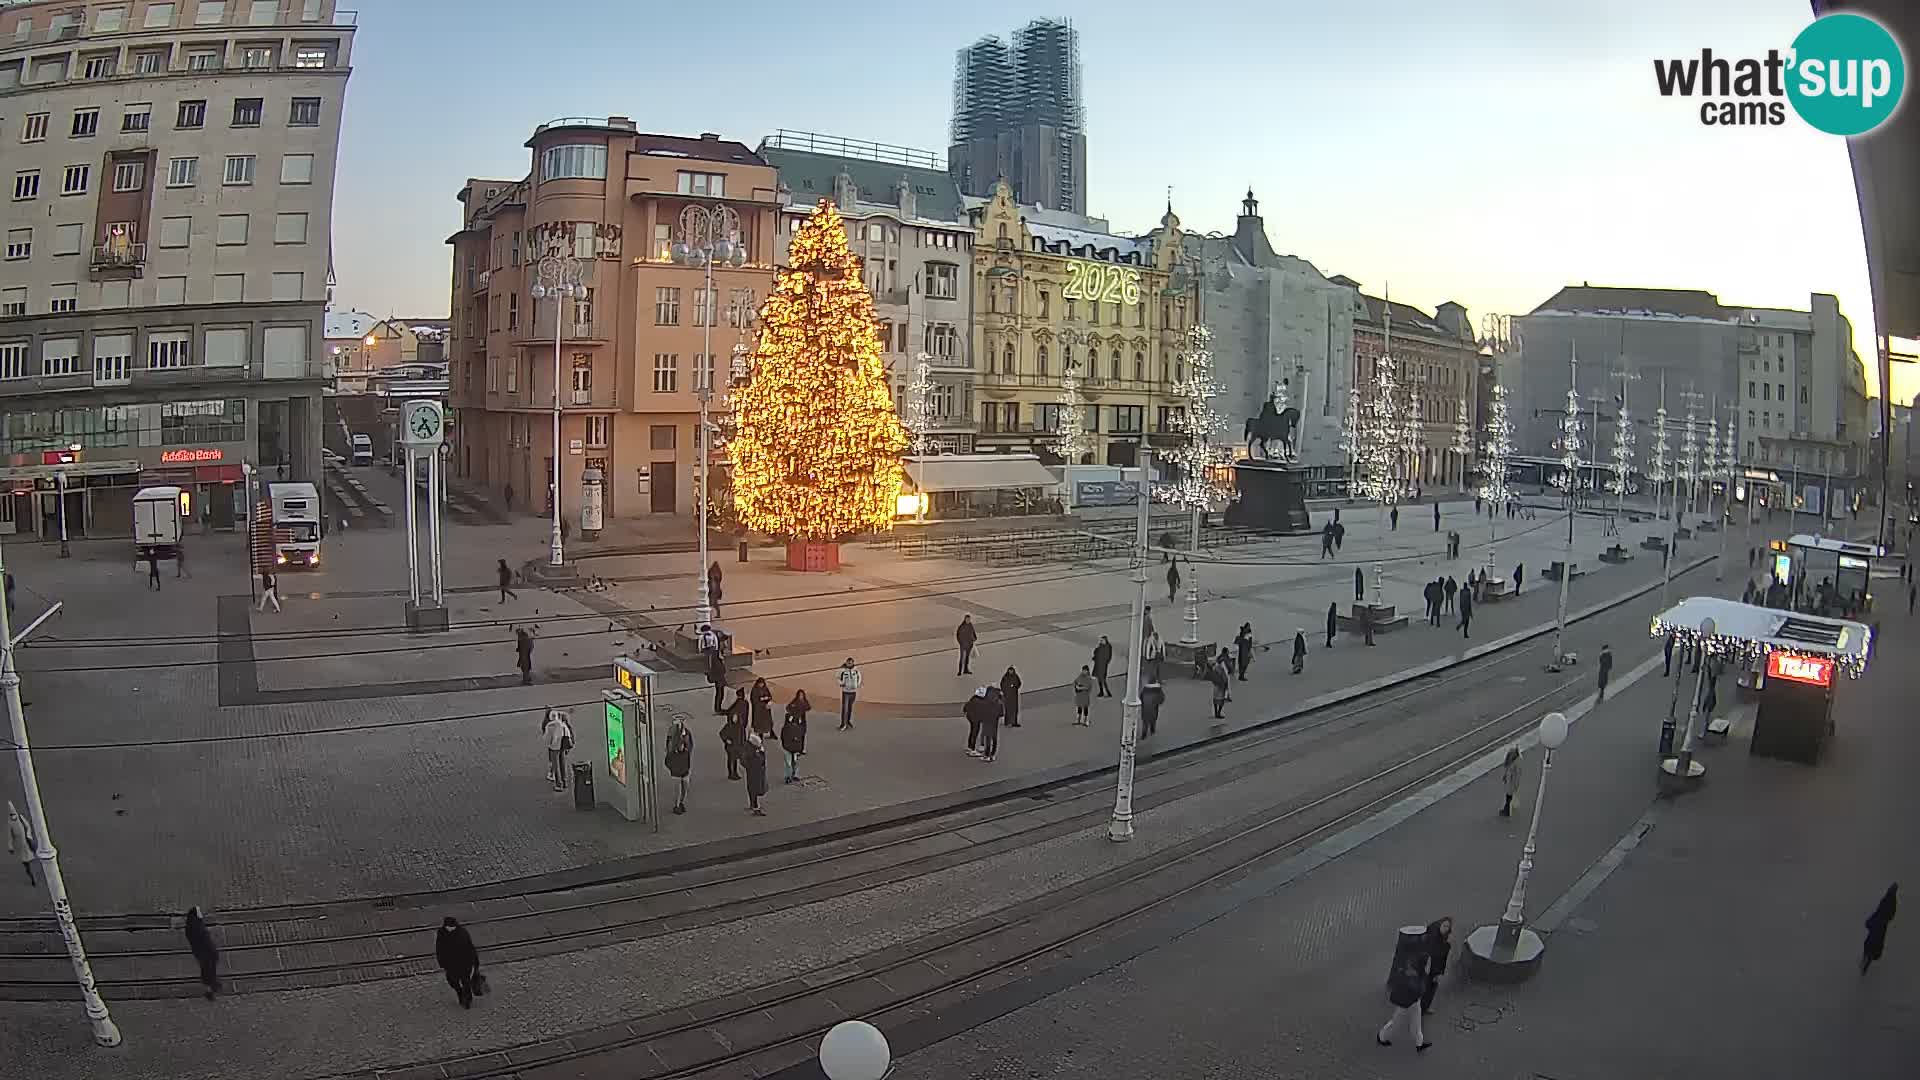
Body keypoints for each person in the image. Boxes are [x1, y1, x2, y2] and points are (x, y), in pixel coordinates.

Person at [1377, 931, 1432, 1051]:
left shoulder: (1412, 962)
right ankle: (1382, 1036)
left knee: (1416, 1023)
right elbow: (1417, 986)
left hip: (1413, 998)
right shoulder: (1414, 971)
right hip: (1408, 999)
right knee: (1397, 1021)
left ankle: (1419, 1043)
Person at [435, 916, 480, 1008]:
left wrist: (475, 962)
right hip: (450, 964)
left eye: (452, 927)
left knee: (465, 981)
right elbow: (439, 949)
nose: (450, 929)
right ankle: (460, 993)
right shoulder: (441, 933)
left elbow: (470, 947)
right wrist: (442, 963)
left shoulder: (462, 933)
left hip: (464, 962)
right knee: (452, 981)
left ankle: (467, 1000)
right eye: (448, 927)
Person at [185, 906, 221, 1000]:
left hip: (202, 953)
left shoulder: (191, 926)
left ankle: (213, 984)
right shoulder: (198, 928)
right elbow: (206, 940)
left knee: (209, 969)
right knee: (208, 971)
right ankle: (209, 991)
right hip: (206, 953)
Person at [1862, 883, 1898, 974]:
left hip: (1880, 921)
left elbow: (1888, 913)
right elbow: (1889, 914)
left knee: (1873, 941)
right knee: (1874, 941)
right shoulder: (1890, 899)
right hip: (1880, 922)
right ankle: (1866, 960)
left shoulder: (1890, 899)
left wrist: (1881, 918)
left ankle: (1866, 960)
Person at [1420, 917, 1453, 1015]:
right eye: (1444, 926)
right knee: (1427, 987)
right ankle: (1422, 1008)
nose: (1445, 928)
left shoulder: (1443, 939)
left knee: (1431, 987)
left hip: (1434, 968)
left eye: (1447, 927)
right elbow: (1435, 956)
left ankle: (1424, 1007)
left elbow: (1442, 958)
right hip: (1430, 967)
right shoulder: (1435, 939)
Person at [664, 715, 693, 814]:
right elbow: (667, 760)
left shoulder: (686, 749)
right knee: (677, 790)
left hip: (685, 771)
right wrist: (672, 768)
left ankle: (681, 803)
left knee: (685, 788)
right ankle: (676, 805)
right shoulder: (673, 752)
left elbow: (690, 746)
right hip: (676, 772)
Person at [541, 708, 573, 792]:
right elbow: (568, 733)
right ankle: (565, 782)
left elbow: (547, 738)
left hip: (554, 747)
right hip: (562, 746)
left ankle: (559, 784)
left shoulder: (550, 726)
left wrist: (550, 743)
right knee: (562, 764)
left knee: (556, 766)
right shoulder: (562, 724)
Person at [780, 692, 808, 783]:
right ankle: (788, 776)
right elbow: (784, 733)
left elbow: (801, 733)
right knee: (789, 762)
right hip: (789, 745)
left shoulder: (799, 722)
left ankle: (794, 775)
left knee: (794, 761)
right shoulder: (788, 722)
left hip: (794, 745)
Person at [719, 691, 747, 781]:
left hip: (737, 745)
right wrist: (727, 741)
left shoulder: (739, 725)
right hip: (731, 746)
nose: (735, 719)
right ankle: (731, 773)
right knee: (731, 760)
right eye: (734, 717)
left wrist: (743, 743)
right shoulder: (729, 726)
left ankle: (734, 773)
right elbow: (722, 734)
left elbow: (742, 734)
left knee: (735, 760)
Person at [741, 730, 769, 815]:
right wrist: (761, 752)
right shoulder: (753, 752)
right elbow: (760, 760)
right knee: (755, 789)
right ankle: (756, 807)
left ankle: (753, 805)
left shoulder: (749, 749)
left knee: (752, 788)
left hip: (754, 772)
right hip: (755, 773)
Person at [7, 802, 33, 884]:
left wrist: (28, 834)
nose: (13, 816)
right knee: (26, 862)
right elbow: (10, 837)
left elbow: (27, 826)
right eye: (11, 815)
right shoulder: (10, 824)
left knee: (33, 856)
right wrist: (10, 847)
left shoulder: (21, 818)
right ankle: (31, 876)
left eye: (13, 814)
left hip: (27, 842)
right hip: (20, 846)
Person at [978, 686, 1003, 762]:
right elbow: (1001, 713)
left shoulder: (986, 702)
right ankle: (992, 754)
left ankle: (987, 754)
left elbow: (982, 712)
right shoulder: (999, 702)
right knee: (994, 737)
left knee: (987, 737)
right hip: (994, 721)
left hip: (987, 721)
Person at [836, 658, 861, 731]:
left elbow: (859, 677)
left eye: (851, 663)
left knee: (850, 708)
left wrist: (857, 684)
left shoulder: (856, 670)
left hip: (853, 692)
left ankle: (848, 722)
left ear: (853, 663)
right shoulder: (842, 670)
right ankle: (843, 724)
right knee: (845, 708)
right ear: (846, 663)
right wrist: (841, 683)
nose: (849, 664)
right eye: (848, 663)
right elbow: (837, 678)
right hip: (846, 692)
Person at [964, 687, 990, 756]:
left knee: (972, 731)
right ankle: (972, 749)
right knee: (975, 733)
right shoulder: (981, 702)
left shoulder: (973, 699)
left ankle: (969, 747)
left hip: (970, 717)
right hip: (976, 719)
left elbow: (965, 708)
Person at [1500, 745, 1522, 816]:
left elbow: (1517, 775)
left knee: (1509, 797)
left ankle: (1507, 811)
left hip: (1512, 783)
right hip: (1510, 782)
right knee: (1508, 796)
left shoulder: (1517, 763)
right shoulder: (1512, 761)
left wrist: (1515, 785)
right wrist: (1505, 776)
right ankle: (1507, 809)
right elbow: (1508, 770)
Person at [706, 647, 728, 713]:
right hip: (719, 680)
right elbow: (721, 670)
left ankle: (718, 708)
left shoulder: (717, 659)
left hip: (720, 679)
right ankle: (718, 709)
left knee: (721, 694)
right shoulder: (716, 659)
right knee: (719, 694)